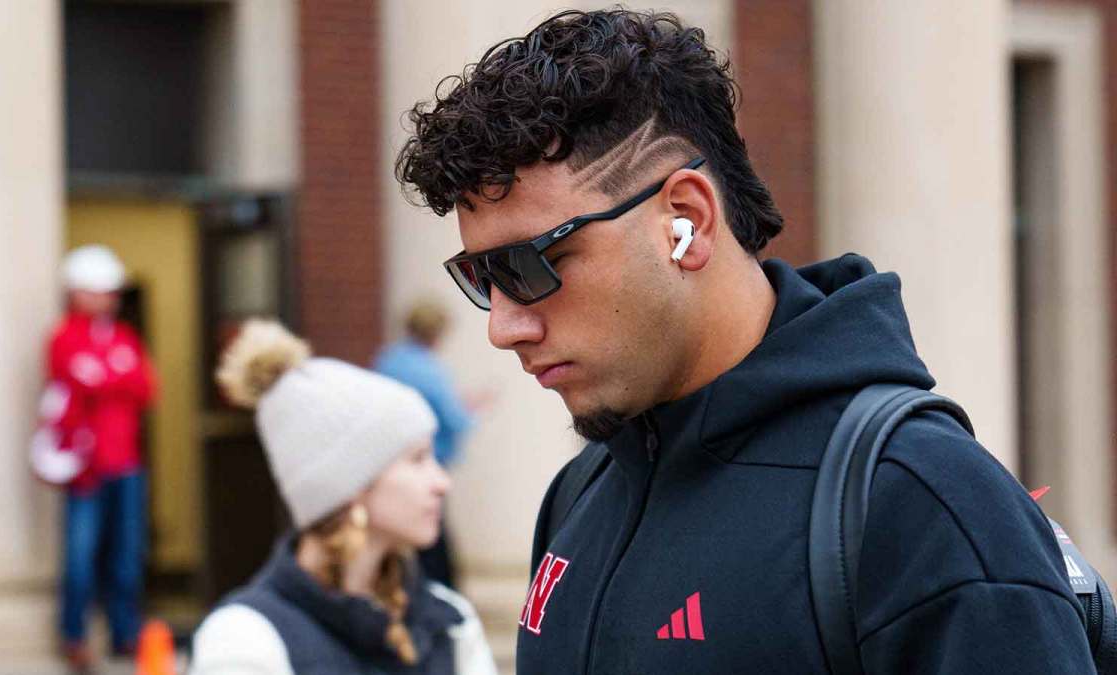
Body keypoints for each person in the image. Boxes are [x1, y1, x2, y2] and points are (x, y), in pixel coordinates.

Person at [394, 8, 1095, 674]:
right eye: (481, 276)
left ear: (687, 222)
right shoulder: (580, 494)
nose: (502, 325)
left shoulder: (921, 500)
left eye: (530, 265)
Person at [190, 319, 497, 675]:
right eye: (417, 459)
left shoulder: (449, 619)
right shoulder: (245, 640)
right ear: (351, 485)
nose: (442, 482)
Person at [49, 244, 157, 670]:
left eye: (109, 292)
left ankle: (124, 633)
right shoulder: (64, 337)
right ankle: (74, 636)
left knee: (127, 555)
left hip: (126, 463)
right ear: (76, 292)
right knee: (80, 556)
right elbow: (76, 381)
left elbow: (145, 388)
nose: (105, 299)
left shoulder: (124, 338)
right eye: (96, 291)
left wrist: (105, 374)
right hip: (85, 469)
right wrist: (115, 375)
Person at [375, 299, 482, 589]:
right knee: (433, 534)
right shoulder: (431, 371)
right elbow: (455, 420)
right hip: (427, 459)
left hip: (388, 461)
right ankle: (442, 593)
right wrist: (472, 409)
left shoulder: (388, 360)